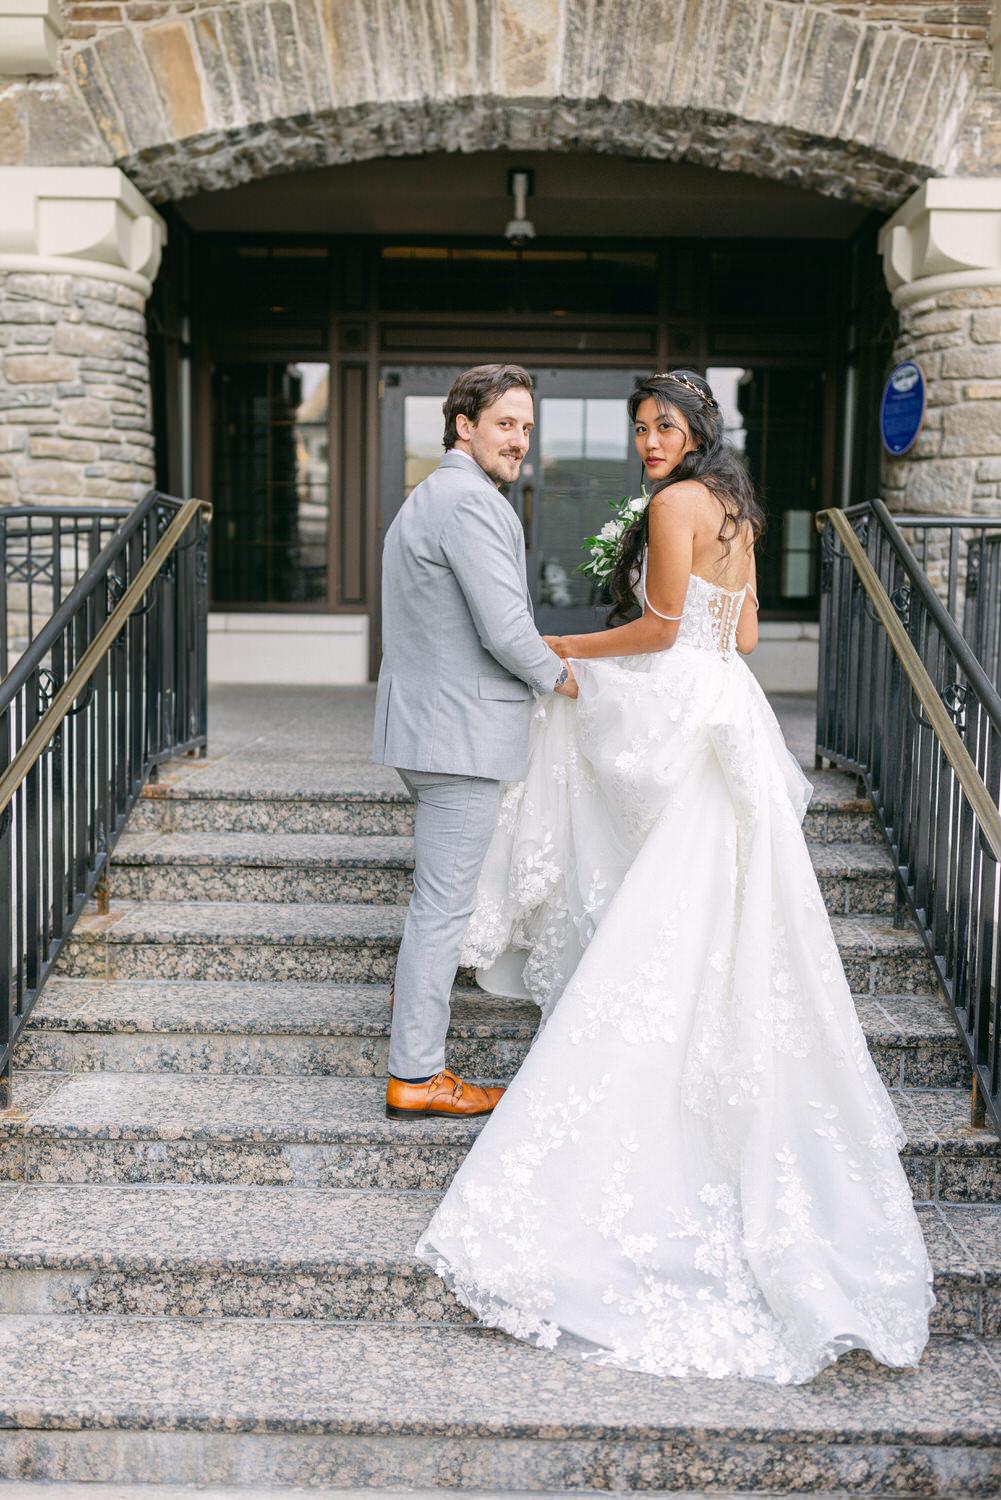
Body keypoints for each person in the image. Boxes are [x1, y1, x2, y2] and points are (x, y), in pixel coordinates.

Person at [415, 370, 933, 1384]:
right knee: (725, 913)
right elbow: (734, 637)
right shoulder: (736, 506)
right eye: (639, 426)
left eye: (664, 425)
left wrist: (567, 646)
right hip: (727, 706)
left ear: (697, 429)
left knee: (663, 898)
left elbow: (659, 630)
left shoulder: (671, 504)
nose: (649, 440)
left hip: (680, 704)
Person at [373, 363, 577, 1122]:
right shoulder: (470, 503)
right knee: (440, 911)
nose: (519, 440)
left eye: (526, 426)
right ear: (464, 424)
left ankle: (414, 1051)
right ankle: (417, 1073)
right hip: (458, 736)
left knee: (436, 903)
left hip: (427, 729)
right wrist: (567, 679)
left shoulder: (428, 496)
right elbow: (504, 628)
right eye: (505, 424)